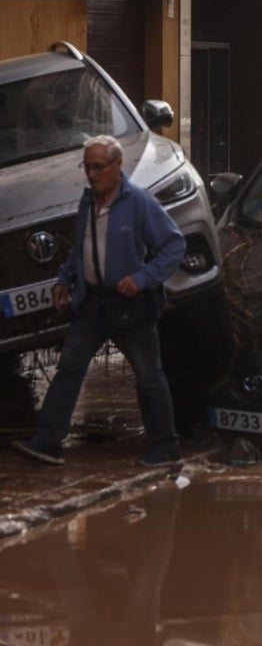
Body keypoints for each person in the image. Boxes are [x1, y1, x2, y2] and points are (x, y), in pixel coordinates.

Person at [14, 135, 186, 467]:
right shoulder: (88, 203)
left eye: (97, 167)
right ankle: (48, 441)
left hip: (130, 307)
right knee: (69, 368)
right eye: (87, 167)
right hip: (92, 304)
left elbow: (174, 245)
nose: (91, 174)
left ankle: (165, 446)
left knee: (149, 375)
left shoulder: (139, 203)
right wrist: (64, 279)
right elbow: (79, 249)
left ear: (117, 165)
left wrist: (142, 279)